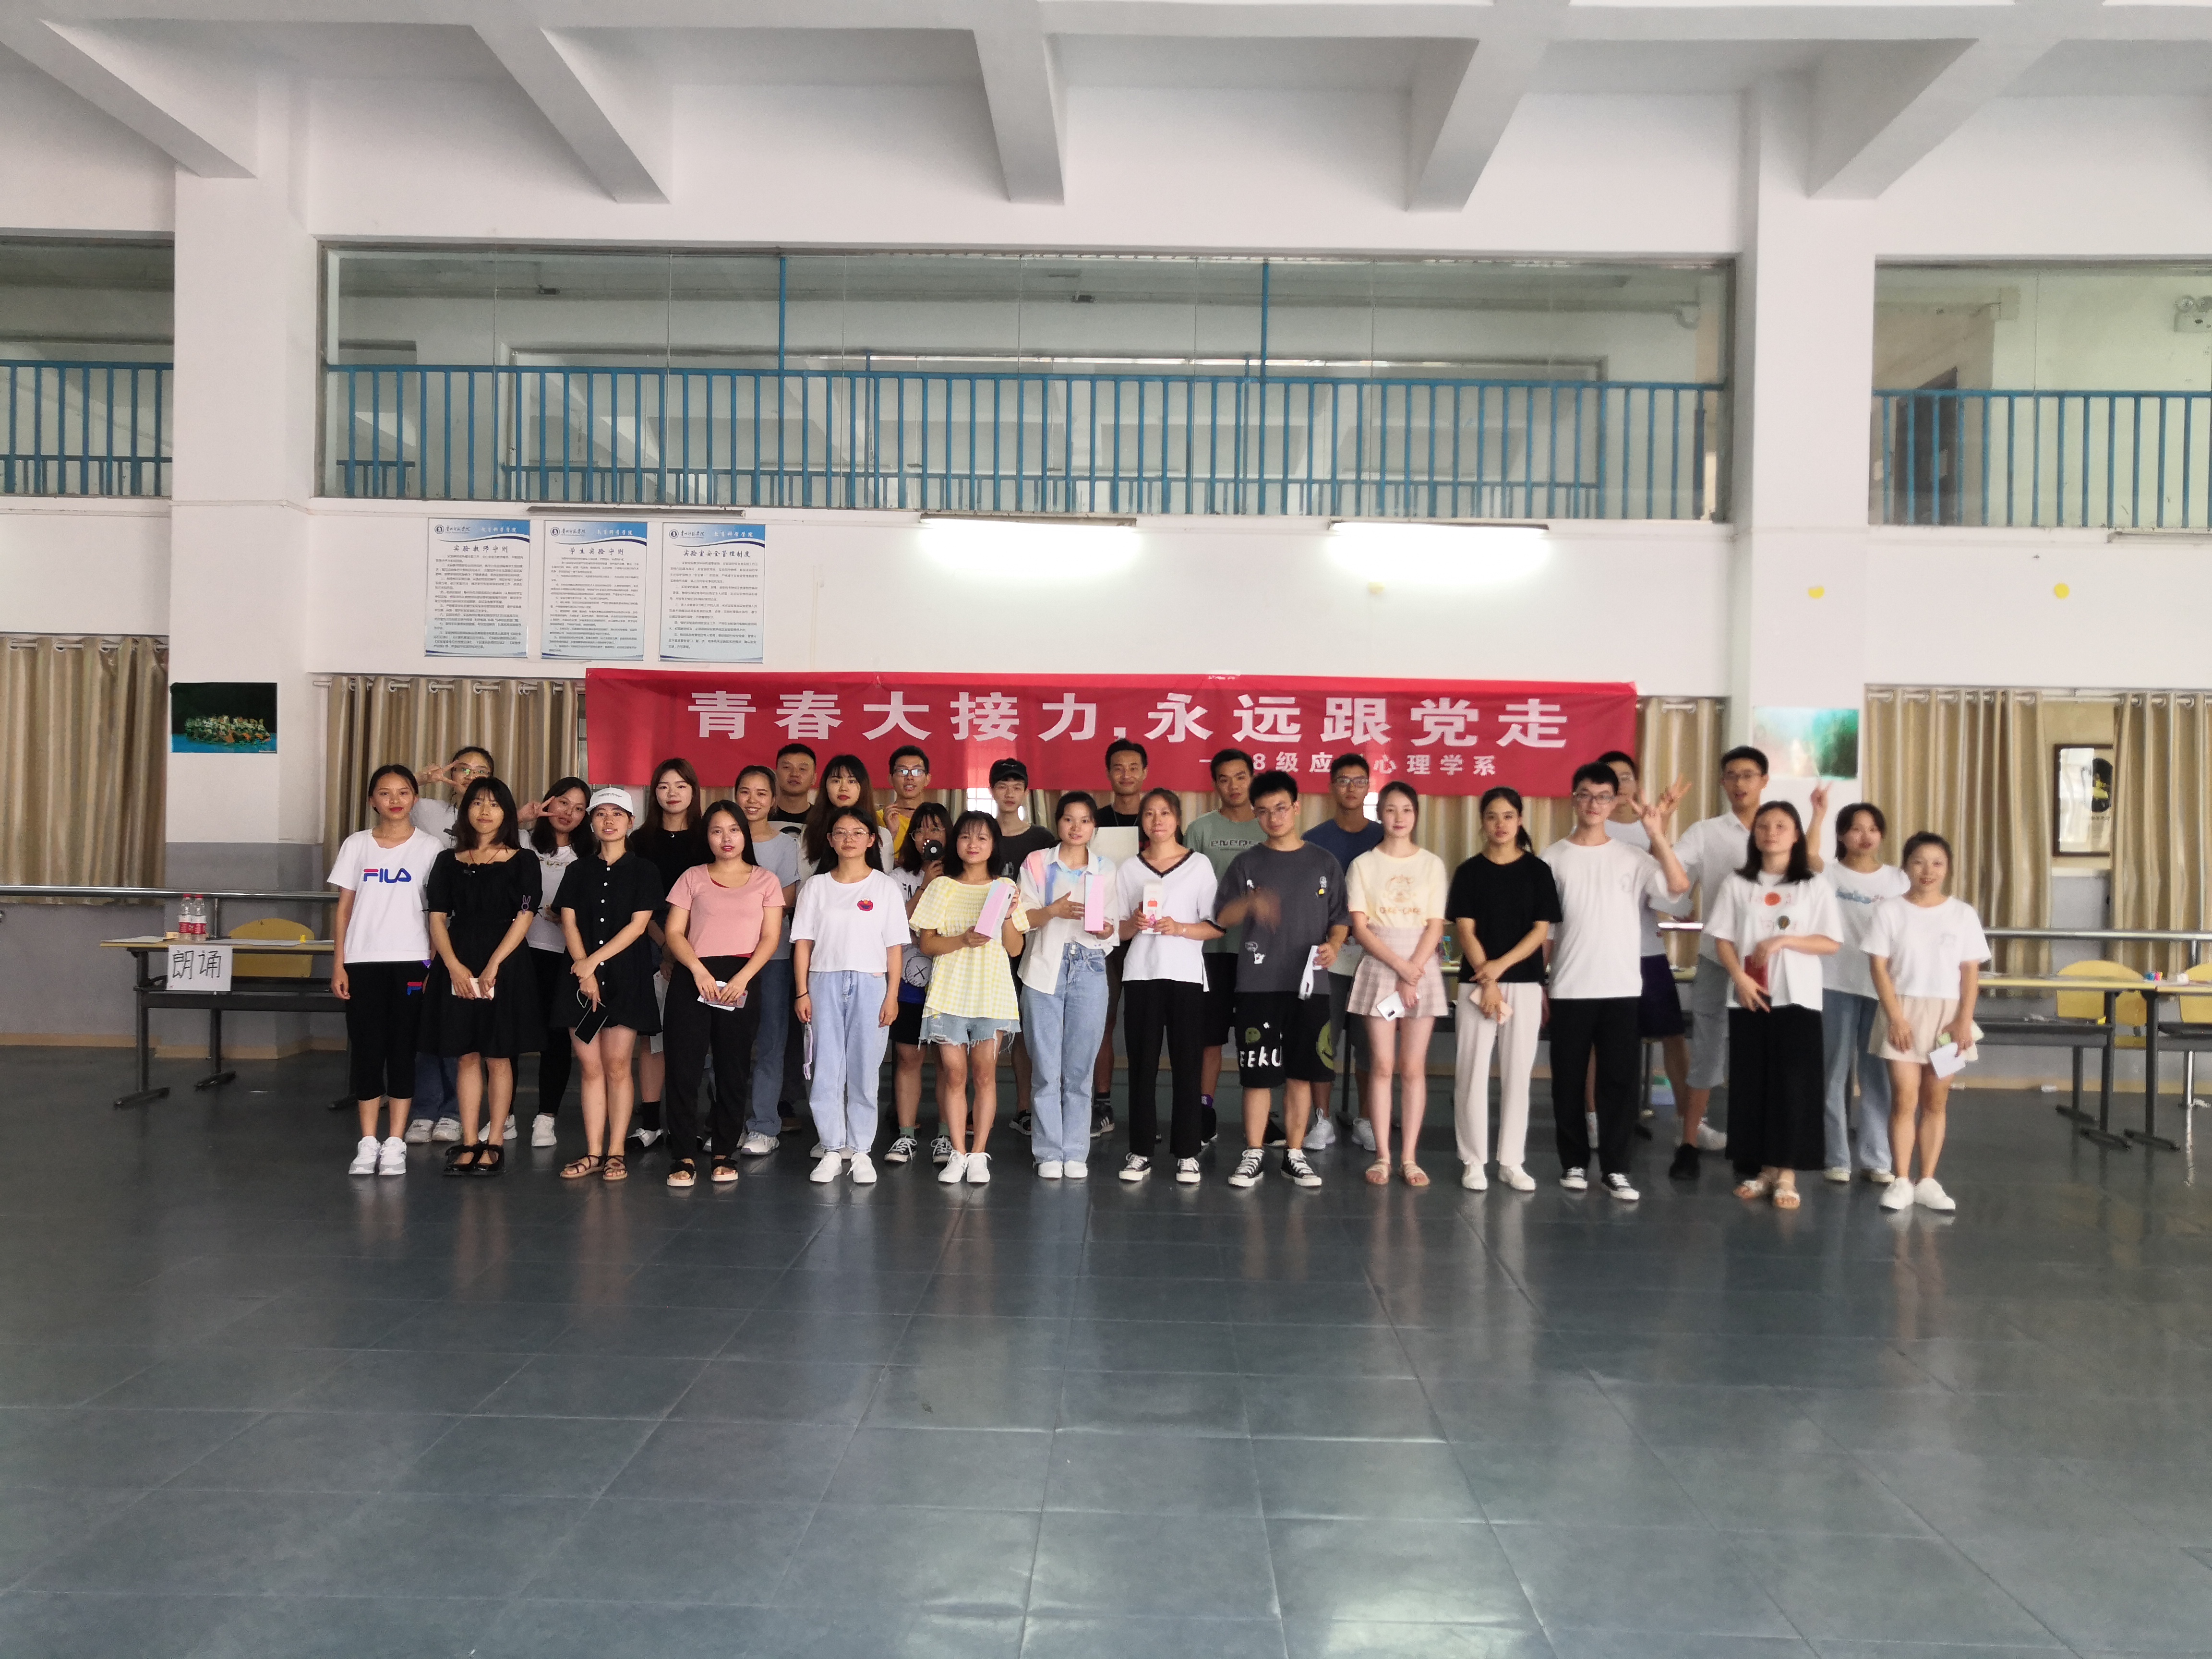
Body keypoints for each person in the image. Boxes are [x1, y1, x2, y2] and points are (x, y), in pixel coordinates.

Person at [1671, 746, 1824, 1180]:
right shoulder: (1706, 831)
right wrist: (1658, 828)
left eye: (1749, 775)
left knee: (1763, 1057)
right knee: (1708, 1049)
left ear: (1764, 780)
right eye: (1732, 775)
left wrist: (1816, 818)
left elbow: (1812, 869)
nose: (1740, 783)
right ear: (1722, 782)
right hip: (1719, 958)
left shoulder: (1780, 827)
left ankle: (1755, 1147)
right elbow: (1672, 874)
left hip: (1775, 967)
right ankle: (1689, 1141)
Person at [1541, 762, 1691, 1201]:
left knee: (1619, 1084)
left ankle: (1616, 1169)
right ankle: (1573, 1163)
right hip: (1569, 987)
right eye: (1586, 795)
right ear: (1574, 799)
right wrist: (1538, 985)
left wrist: (1656, 832)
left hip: (1622, 988)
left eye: (1604, 796)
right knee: (1568, 1082)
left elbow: (1678, 888)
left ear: (1615, 802)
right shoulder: (1552, 858)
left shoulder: (1634, 858)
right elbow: (1545, 931)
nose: (1594, 804)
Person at [1212, 769, 1347, 1190]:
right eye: (1264, 811)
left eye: (1281, 808)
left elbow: (1340, 919)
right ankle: (1253, 1152)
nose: (1274, 818)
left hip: (1309, 984)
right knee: (1257, 1073)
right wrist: (1251, 903)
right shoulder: (1246, 863)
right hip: (1258, 983)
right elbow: (1222, 918)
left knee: (1301, 1073)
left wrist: (1334, 946)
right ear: (1255, 814)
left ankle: (1295, 1153)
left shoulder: (1324, 862)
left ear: (1297, 807)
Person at [1707, 802, 1843, 1210]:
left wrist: (1784, 940)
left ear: (1796, 835)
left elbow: (1830, 942)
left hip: (1797, 997)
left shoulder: (1813, 885)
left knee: (1794, 1085)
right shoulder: (1737, 882)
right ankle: (1763, 1170)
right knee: (1753, 1083)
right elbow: (1722, 938)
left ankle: (1786, 1173)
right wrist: (1739, 977)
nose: (1771, 832)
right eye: (1764, 826)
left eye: (1781, 826)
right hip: (1750, 994)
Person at [421, 776, 541, 1178]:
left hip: (505, 962)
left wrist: (495, 965)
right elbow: (437, 917)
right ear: (465, 811)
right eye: (477, 803)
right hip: (457, 960)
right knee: (466, 1054)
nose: (485, 811)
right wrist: (453, 966)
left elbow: (525, 915)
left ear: (506, 813)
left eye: (494, 804)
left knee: (498, 1055)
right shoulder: (447, 861)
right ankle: (470, 1141)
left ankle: (495, 1142)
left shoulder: (524, 861)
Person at [661, 801, 783, 1189]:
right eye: (717, 831)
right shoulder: (692, 877)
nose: (726, 838)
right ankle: (682, 1154)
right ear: (707, 837)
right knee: (683, 1068)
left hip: (741, 980)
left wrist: (744, 977)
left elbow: (770, 937)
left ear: (745, 834)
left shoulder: (766, 881)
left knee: (733, 1069)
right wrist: (698, 970)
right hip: (693, 978)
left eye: (733, 830)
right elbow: (674, 932)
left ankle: (724, 1152)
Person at [1864, 832, 1988, 1214]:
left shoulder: (1963, 914)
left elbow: (1970, 972)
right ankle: (1902, 1180)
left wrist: (1963, 1021)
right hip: (1902, 1013)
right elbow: (1878, 967)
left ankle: (1928, 1180)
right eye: (1918, 862)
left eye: (1937, 863)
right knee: (1904, 1098)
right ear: (1906, 866)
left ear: (1947, 868)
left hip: (1948, 1020)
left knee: (1937, 1099)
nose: (1928, 870)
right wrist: (1895, 1018)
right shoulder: (1889, 911)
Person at [330, 764, 444, 1176]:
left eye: (403, 792)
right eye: (385, 792)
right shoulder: (356, 845)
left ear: (415, 798)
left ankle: (395, 1141)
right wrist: (339, 963)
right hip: (363, 963)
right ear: (372, 801)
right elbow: (344, 910)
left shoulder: (431, 847)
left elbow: (437, 913)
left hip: (411, 961)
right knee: (367, 1050)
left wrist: (431, 964)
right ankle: (367, 1141)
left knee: (402, 1051)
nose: (395, 800)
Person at [1446, 786, 1559, 1192]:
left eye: (1508, 816)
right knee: (1471, 1073)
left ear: (1520, 820)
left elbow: (1540, 931)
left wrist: (1499, 969)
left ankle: (1512, 1160)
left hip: (1523, 983)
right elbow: (1465, 930)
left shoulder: (1538, 871)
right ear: (1482, 821)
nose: (1500, 824)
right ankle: (1473, 1160)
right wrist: (1489, 978)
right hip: (1476, 985)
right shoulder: (1469, 872)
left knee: (1518, 1074)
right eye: (1492, 816)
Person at [791, 807, 910, 1185]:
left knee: (864, 1069)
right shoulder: (816, 887)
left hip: (871, 983)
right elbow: (803, 944)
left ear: (872, 839)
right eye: (841, 833)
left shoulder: (884, 887)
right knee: (826, 1068)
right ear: (830, 840)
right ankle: (831, 1149)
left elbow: (895, 947)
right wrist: (802, 992)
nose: (849, 839)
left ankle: (860, 1152)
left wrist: (892, 995)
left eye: (858, 832)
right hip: (823, 982)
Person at [912, 811, 1029, 1186]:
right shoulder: (942, 886)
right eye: (965, 837)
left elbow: (1015, 948)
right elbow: (927, 945)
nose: (973, 844)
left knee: (984, 1074)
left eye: (982, 838)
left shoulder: (1005, 887)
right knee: (954, 1073)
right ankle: (957, 1153)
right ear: (955, 843)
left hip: (991, 993)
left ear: (994, 845)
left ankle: (978, 1154)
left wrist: (1008, 916)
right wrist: (963, 939)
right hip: (949, 993)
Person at [552, 787, 661, 1182]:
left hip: (625, 976)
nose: (609, 820)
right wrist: (584, 971)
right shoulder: (577, 871)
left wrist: (592, 963)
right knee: (590, 1066)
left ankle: (617, 1152)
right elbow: (568, 921)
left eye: (618, 813)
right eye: (601, 813)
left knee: (618, 1065)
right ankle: (593, 1152)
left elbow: (638, 926)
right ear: (591, 822)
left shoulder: (645, 870)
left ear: (631, 822)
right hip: (579, 978)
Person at [1345, 781, 1449, 1187]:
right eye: (1390, 809)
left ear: (1416, 815)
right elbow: (1360, 928)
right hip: (1381, 962)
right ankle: (1383, 1157)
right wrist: (1400, 969)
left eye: (1407, 810)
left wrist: (1413, 970)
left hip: (1421, 965)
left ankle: (1409, 1157)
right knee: (1382, 1065)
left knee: (1413, 1067)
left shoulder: (1432, 864)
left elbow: (1435, 925)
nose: (1399, 818)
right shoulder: (1363, 865)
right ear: (1380, 814)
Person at [1114, 788, 1220, 1183]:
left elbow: (1214, 926)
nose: (1157, 820)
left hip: (1186, 976)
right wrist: (1134, 923)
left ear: (1177, 819)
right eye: (1149, 814)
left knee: (1187, 1065)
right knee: (1141, 1066)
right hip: (1141, 975)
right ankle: (1140, 1150)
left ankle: (1188, 1152)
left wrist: (1180, 928)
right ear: (1141, 822)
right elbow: (1116, 931)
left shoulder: (1199, 865)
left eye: (1165, 813)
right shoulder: (1130, 869)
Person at [1017, 792, 1124, 1179]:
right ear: (1058, 822)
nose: (1076, 827)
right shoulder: (1036, 863)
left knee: (1080, 1068)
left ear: (1094, 827)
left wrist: (1105, 929)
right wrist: (1054, 911)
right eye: (1069, 819)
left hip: (1090, 966)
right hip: (1044, 966)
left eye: (1085, 820)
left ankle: (1075, 1150)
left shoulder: (1105, 869)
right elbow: (1021, 919)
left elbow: (1112, 928)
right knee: (1046, 1067)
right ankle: (1048, 1151)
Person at [1811, 803, 1910, 1184]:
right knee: (1833, 1072)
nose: (1865, 836)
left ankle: (1876, 1158)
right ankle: (1836, 1157)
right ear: (1841, 835)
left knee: (1877, 1074)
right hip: (1834, 982)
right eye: (1855, 829)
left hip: (1882, 988)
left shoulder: (1898, 879)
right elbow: (1807, 858)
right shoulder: (1828, 875)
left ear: (1882, 835)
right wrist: (1818, 814)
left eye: (1873, 829)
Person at [1597, 750, 1691, 1140]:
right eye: (1611, 778)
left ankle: (1691, 1123)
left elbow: (1665, 888)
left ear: (1637, 784)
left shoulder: (1651, 828)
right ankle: (1598, 1121)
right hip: (1603, 954)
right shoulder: (1594, 829)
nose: (1620, 785)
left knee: (1672, 1034)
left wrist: (1659, 827)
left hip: (1647, 951)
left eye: (1626, 777)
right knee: (1601, 1043)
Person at [404, 747, 494, 1145]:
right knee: (426, 1020)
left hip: (468, 940)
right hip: (422, 933)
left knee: (461, 1026)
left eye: (482, 771)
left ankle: (455, 1111)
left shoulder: (493, 819)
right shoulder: (428, 811)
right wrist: (421, 779)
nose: (471, 776)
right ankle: (425, 1108)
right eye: (465, 769)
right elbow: (392, 797)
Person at [1185, 747, 1267, 1146]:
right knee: (1210, 1038)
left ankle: (1263, 1117)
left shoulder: (1270, 825)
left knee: (1258, 1038)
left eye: (1240, 777)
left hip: (1260, 953)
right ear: (1215, 784)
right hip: (1211, 951)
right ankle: (1205, 1109)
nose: (1233, 786)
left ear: (1252, 778)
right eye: (1224, 779)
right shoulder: (1200, 830)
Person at [628, 757, 711, 1153]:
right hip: (648, 937)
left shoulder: (707, 838)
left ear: (694, 791)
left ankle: (687, 1124)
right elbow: (637, 902)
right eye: (663, 786)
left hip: (702, 940)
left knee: (691, 1040)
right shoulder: (639, 840)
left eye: (680, 786)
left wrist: (681, 948)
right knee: (653, 1037)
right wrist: (665, 945)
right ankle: (649, 1124)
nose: (672, 794)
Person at [1303, 753, 1382, 1153]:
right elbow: (1307, 898)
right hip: (1328, 957)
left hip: (1375, 958)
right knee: (1323, 1039)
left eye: (1359, 781)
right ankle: (1322, 1119)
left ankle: (1367, 1119)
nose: (1351, 788)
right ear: (1331, 786)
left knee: (1371, 1044)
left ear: (1369, 786)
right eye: (1343, 780)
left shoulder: (1386, 837)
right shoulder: (1314, 839)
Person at [734, 765, 804, 1158]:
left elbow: (788, 898)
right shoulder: (723, 838)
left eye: (762, 793)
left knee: (772, 1041)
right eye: (745, 792)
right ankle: (727, 1121)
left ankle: (764, 1125)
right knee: (728, 1041)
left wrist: (742, 905)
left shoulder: (785, 845)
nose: (753, 800)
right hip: (725, 955)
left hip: (773, 955)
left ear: (773, 801)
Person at [886, 802, 955, 1167]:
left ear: (949, 834)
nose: (928, 837)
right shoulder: (897, 878)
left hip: (951, 981)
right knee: (909, 1056)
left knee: (948, 1059)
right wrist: (925, 885)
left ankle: (946, 1135)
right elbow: (896, 927)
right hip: (909, 981)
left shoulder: (962, 874)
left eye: (936, 829)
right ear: (911, 838)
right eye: (920, 831)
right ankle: (906, 1135)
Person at [988, 757, 1055, 1132]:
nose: (1010, 793)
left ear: (1026, 792)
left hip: (1031, 947)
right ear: (992, 791)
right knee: (983, 1030)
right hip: (983, 947)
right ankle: (977, 1110)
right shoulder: (981, 832)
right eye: (1003, 786)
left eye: (1016, 786)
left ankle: (1025, 1109)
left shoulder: (1042, 840)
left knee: (1027, 1033)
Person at [1089, 737, 1150, 1139]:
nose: (1126, 775)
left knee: (1146, 1026)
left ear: (1145, 773)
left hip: (1149, 935)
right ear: (1109, 774)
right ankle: (1102, 1103)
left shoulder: (1158, 817)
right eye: (1118, 768)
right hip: (1104, 935)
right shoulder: (1094, 821)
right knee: (1103, 1021)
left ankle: (1145, 1111)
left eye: (1133, 768)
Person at [524, 778, 589, 1148]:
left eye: (579, 809)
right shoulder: (521, 842)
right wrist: (522, 816)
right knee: (509, 1035)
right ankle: (503, 1119)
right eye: (563, 803)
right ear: (548, 801)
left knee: (556, 1039)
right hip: (519, 953)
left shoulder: (587, 855)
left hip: (564, 957)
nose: (569, 813)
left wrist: (566, 916)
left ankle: (546, 1116)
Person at [802, 753, 896, 874]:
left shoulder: (882, 835)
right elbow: (804, 880)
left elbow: (884, 879)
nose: (843, 788)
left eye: (852, 781)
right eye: (836, 781)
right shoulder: (810, 832)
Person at [880, 744, 933, 854]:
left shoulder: (936, 820)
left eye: (917, 771)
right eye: (902, 771)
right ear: (891, 779)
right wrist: (890, 833)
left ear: (928, 779)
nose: (909, 777)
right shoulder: (879, 818)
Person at [770, 743, 817, 828]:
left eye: (803, 769)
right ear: (776, 775)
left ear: (814, 779)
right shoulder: (761, 816)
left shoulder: (823, 819)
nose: (795, 774)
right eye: (787, 768)